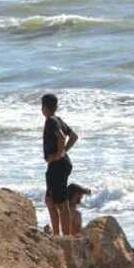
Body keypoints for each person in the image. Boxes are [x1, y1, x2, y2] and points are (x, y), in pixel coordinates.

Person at [41, 93, 78, 236]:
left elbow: (62, 137)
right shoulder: (58, 120)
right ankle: (57, 234)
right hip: (61, 164)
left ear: (43, 107)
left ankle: (65, 236)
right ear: (56, 106)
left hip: (58, 165)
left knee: (61, 203)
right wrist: (63, 152)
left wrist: (58, 154)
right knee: (49, 200)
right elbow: (73, 136)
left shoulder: (51, 121)